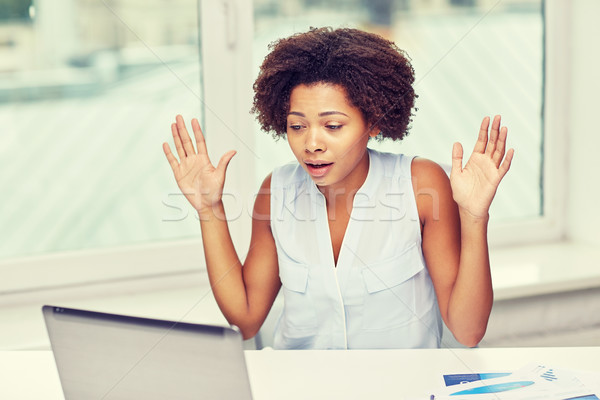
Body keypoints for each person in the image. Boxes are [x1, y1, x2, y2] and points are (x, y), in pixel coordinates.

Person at [162, 27, 514, 350]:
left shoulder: (420, 184)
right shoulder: (276, 191)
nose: (311, 144)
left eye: (332, 125)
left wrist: (473, 217)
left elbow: (468, 331)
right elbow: (246, 317)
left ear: (373, 121)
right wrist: (209, 209)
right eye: (297, 126)